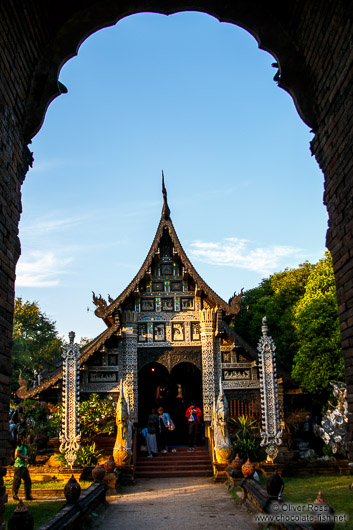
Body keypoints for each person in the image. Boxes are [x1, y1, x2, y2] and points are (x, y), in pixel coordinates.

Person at [12, 436, 33, 501]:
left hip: (23, 465)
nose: (28, 438)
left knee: (28, 481)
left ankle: (28, 496)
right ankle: (14, 495)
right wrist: (25, 457)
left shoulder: (25, 446)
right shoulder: (20, 445)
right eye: (27, 437)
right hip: (19, 465)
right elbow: (16, 454)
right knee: (17, 481)